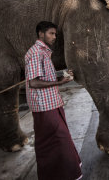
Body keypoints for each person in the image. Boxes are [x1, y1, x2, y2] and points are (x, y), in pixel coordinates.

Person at [25, 21, 82, 180]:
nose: (54, 37)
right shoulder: (36, 52)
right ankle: (64, 174)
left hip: (51, 102)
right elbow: (33, 82)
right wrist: (60, 82)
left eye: (55, 34)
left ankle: (56, 174)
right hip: (43, 106)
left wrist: (63, 74)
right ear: (41, 34)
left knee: (56, 141)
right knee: (58, 139)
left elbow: (45, 76)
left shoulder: (44, 52)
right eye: (51, 33)